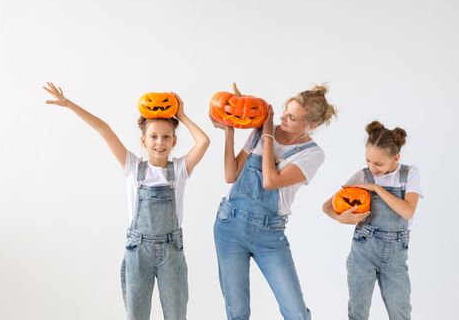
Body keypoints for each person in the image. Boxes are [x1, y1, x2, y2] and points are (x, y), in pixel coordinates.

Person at [43, 82, 210, 320]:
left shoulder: (180, 169)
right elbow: (104, 130)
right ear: (143, 140)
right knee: (136, 315)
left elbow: (203, 142)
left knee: (176, 315)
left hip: (172, 251)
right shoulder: (133, 167)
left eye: (166, 137)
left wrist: (181, 115)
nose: (159, 142)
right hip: (138, 251)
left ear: (174, 141)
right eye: (153, 136)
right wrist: (69, 104)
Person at [211, 84, 336, 320]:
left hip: (269, 234)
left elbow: (271, 181)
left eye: (292, 117)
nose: (282, 118)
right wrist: (229, 132)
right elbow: (230, 175)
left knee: (296, 313)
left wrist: (267, 135)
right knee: (236, 312)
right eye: (285, 111)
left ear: (312, 126)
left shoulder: (312, 154)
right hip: (230, 225)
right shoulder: (258, 132)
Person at [322, 121, 423, 320]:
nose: (372, 167)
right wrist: (342, 219)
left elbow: (408, 211)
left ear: (396, 157)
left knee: (400, 312)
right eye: (368, 160)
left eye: (378, 163)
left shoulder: (409, 174)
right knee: (358, 312)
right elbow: (326, 206)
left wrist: (377, 189)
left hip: (396, 254)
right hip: (363, 250)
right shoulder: (363, 175)